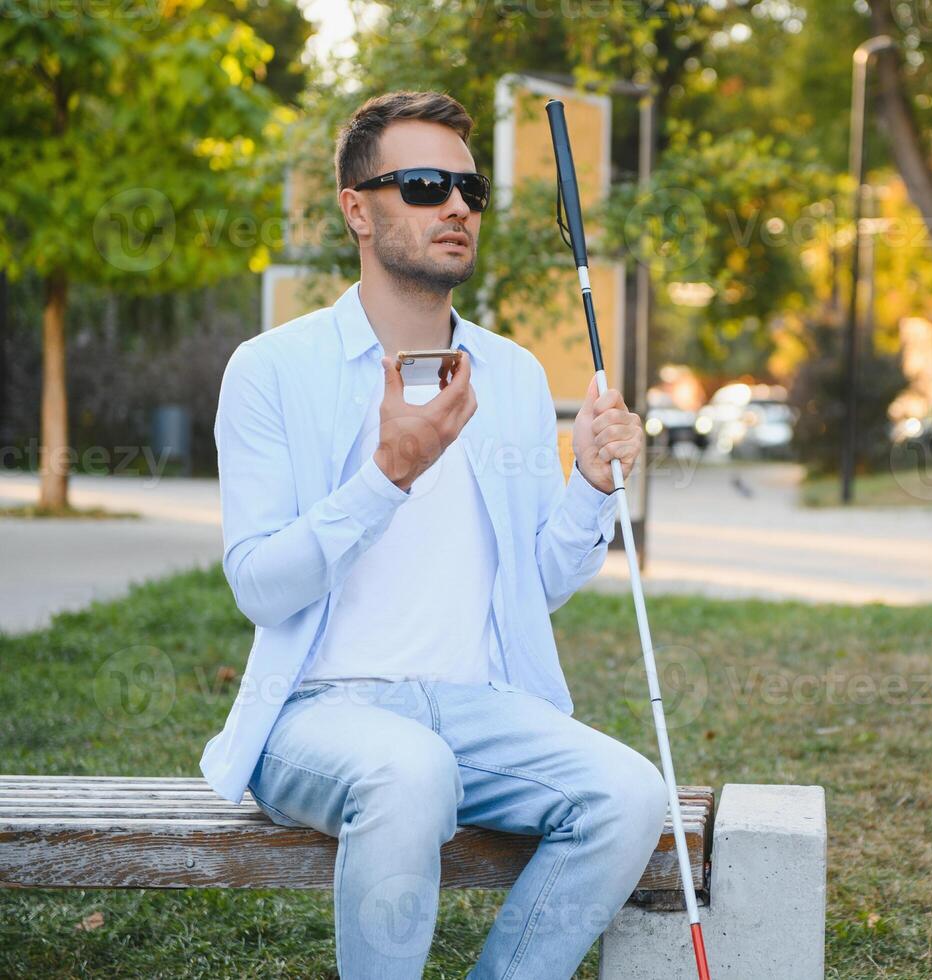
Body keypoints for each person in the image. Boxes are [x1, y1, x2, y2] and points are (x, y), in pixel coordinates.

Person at [199, 90, 667, 980]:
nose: (454, 205)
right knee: (408, 771)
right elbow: (259, 586)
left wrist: (590, 486)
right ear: (357, 212)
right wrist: (386, 478)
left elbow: (538, 582)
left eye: (468, 188)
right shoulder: (270, 370)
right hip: (317, 710)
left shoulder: (516, 374)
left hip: (480, 706)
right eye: (420, 184)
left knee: (628, 793)